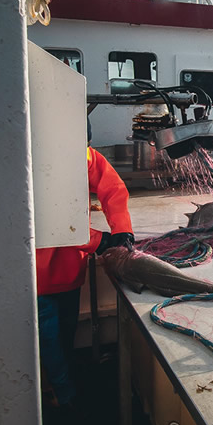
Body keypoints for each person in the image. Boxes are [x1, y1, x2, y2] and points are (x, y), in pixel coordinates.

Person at [36, 143, 134, 406]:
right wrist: (99, 241)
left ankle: (63, 388)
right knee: (47, 344)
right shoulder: (32, 159)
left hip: (68, 272)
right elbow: (49, 219)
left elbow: (111, 186)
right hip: (36, 277)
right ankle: (64, 400)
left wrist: (122, 229)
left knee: (62, 338)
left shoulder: (83, 153)